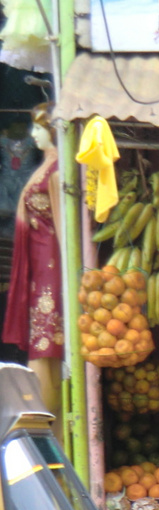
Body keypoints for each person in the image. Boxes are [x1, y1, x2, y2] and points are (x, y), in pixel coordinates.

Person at [1, 104, 61, 412]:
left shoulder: (56, 170)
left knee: (45, 346)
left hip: (51, 263)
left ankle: (51, 426)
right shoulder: (47, 165)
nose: (33, 134)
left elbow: (64, 228)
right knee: (42, 347)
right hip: (40, 263)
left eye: (38, 128)